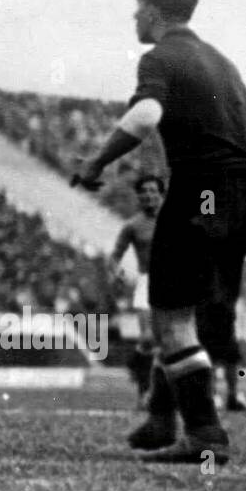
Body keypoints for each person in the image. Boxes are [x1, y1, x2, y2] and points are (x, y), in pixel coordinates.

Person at [72, 0, 246, 466]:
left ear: (155, 11)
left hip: (199, 193)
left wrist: (97, 163)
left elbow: (144, 118)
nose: (134, 15)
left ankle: (204, 434)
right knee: (190, 312)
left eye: (138, 6)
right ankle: (162, 416)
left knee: (171, 316)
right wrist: (240, 174)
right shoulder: (219, 60)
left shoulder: (159, 57)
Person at [110, 174, 165, 406]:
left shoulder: (175, 219)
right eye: (144, 192)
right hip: (147, 282)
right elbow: (115, 256)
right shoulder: (133, 225)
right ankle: (144, 393)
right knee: (148, 338)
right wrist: (117, 272)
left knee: (174, 341)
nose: (149, 195)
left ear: (160, 194)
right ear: (139, 197)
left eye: (153, 190)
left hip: (174, 282)